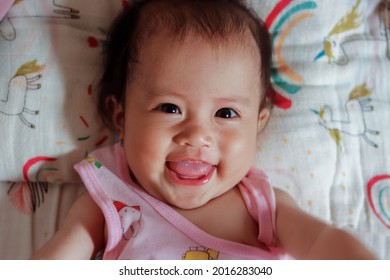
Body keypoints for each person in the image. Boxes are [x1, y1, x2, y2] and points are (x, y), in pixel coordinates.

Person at [31, 0, 376, 260]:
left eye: (226, 113)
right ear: (120, 117)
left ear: (258, 126)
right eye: (170, 108)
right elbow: (60, 257)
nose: (196, 135)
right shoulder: (110, 190)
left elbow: (320, 242)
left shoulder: (261, 204)